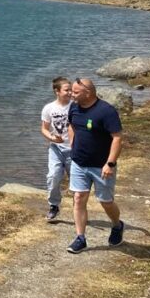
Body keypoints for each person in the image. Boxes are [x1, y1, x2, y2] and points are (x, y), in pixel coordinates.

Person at [66, 77, 124, 253]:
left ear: (88, 93)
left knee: (105, 201)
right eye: (71, 91)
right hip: (79, 162)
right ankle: (80, 238)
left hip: (101, 166)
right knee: (78, 198)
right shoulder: (74, 107)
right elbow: (72, 125)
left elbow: (117, 137)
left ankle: (117, 225)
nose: (71, 95)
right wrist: (72, 144)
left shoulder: (106, 111)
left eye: (75, 92)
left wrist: (110, 163)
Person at [40, 76, 72, 221]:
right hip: (56, 149)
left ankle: (79, 209)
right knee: (53, 176)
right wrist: (52, 138)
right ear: (57, 91)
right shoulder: (49, 108)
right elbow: (44, 129)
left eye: (71, 89)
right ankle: (54, 206)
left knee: (77, 183)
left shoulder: (76, 106)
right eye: (67, 90)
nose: (70, 92)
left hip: (74, 150)